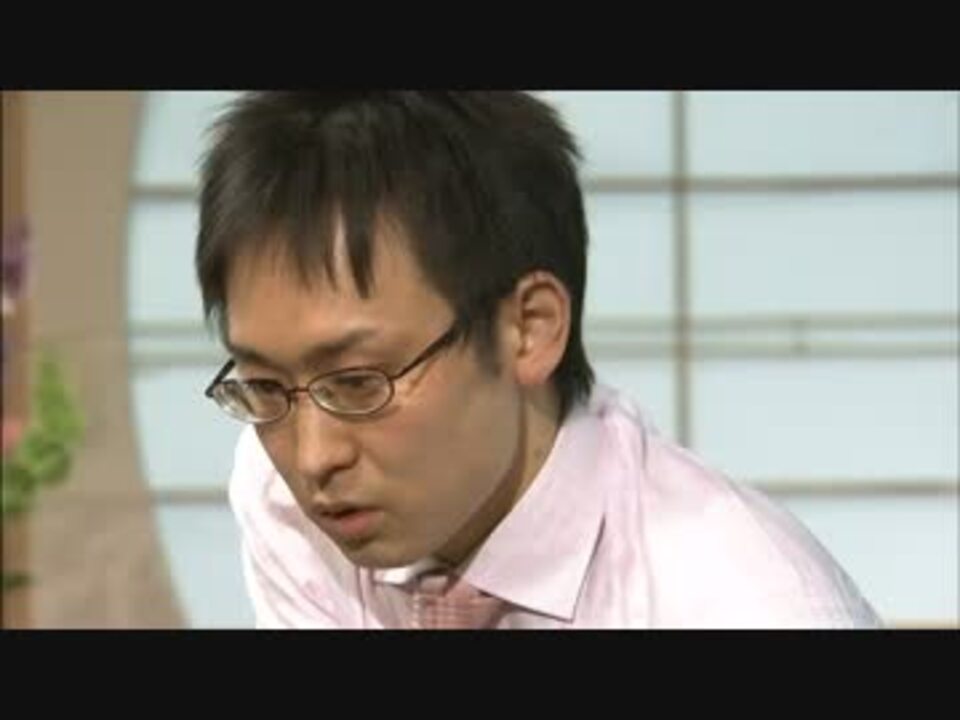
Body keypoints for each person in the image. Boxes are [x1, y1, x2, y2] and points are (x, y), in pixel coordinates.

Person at [194, 91, 882, 629]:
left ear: (529, 328)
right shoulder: (282, 496)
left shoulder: (748, 605)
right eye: (264, 384)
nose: (312, 457)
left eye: (357, 382)